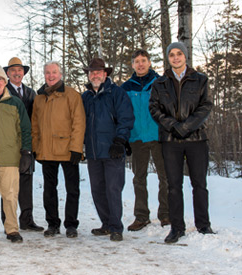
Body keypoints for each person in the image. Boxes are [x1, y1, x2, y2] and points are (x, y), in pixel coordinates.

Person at [149, 42, 214, 244]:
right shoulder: (159, 83)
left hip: (196, 139)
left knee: (199, 184)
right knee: (173, 186)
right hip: (170, 140)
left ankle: (204, 224)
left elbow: (205, 107)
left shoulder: (200, 80)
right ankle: (177, 228)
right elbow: (154, 109)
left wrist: (186, 127)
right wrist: (173, 126)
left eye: (179, 54)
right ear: (168, 58)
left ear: (185, 56)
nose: (176, 58)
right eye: (172, 55)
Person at [31, 61, 86, 238]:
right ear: (44, 75)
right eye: (48, 73)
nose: (51, 75)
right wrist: (35, 147)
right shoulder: (39, 98)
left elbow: (79, 123)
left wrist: (77, 148)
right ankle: (53, 223)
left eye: (54, 72)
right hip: (47, 150)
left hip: (68, 150)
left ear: (60, 74)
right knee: (49, 189)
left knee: (72, 189)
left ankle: (71, 224)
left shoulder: (72, 95)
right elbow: (35, 126)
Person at [82, 58, 134, 242]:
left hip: (113, 150)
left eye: (98, 72)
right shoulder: (85, 97)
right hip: (93, 152)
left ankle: (116, 227)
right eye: (92, 72)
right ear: (89, 75)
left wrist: (120, 140)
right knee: (97, 189)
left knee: (113, 188)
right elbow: (80, 123)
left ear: (105, 74)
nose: (95, 75)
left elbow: (126, 118)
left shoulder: (117, 93)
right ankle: (106, 223)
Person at [0, 65, 32, 244]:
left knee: (10, 196)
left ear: (5, 81)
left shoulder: (15, 103)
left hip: (10, 158)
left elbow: (25, 129)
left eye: (0, 79)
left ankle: (12, 229)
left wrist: (26, 152)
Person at [121, 50, 170, 231]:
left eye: (143, 61)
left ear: (149, 62)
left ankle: (165, 214)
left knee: (165, 177)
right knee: (139, 178)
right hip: (137, 138)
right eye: (136, 61)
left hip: (158, 136)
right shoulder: (126, 87)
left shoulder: (161, 83)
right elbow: (123, 114)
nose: (140, 64)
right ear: (132, 65)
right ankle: (141, 216)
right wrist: (125, 136)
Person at [2, 57, 43, 232]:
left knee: (26, 183)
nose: (17, 73)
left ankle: (27, 220)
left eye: (20, 70)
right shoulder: (2, 92)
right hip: (9, 144)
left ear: (23, 73)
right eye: (13, 70)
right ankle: (8, 221)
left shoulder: (31, 93)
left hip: (27, 143)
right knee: (8, 185)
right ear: (7, 73)